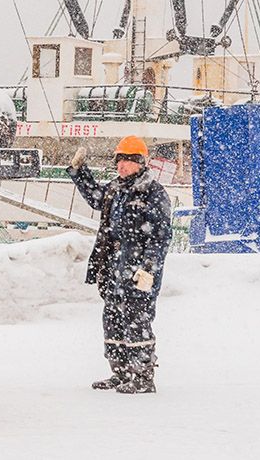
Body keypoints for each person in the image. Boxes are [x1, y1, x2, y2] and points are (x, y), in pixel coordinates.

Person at [67, 135, 172, 394]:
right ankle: (122, 372)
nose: (122, 166)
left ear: (140, 163)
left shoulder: (153, 193)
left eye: (127, 161)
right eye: (119, 161)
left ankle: (143, 377)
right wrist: (80, 172)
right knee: (113, 318)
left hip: (138, 269)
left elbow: (160, 238)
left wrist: (148, 268)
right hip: (115, 266)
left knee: (137, 320)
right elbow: (95, 197)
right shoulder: (116, 189)